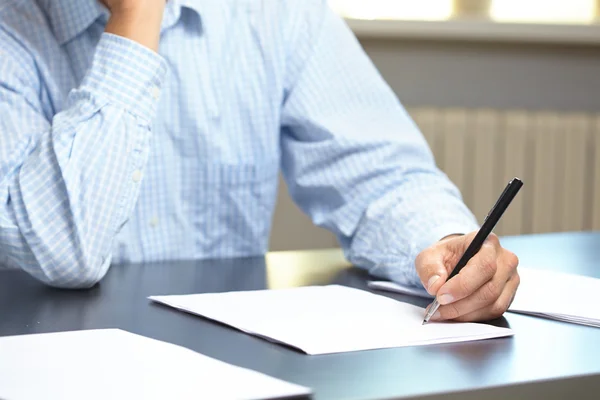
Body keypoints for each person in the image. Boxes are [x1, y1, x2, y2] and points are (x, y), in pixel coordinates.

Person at [0, 0, 519, 322]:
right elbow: (64, 248)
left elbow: (384, 176)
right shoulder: (11, 26)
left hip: (221, 364)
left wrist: (445, 244)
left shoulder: (275, 12)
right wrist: (136, 14)